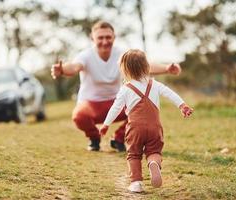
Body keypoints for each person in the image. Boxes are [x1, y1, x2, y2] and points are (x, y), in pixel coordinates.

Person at [51, 21, 182, 152]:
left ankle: (119, 138)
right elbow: (74, 67)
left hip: (116, 102)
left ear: (114, 37)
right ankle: (94, 138)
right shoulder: (85, 55)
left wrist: (166, 68)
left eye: (108, 37)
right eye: (100, 38)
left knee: (142, 109)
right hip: (90, 104)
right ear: (92, 38)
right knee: (79, 116)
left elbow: (143, 66)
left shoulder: (121, 54)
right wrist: (62, 70)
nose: (104, 41)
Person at [99, 49, 193, 193]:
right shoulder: (154, 84)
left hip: (135, 129)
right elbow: (170, 94)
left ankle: (136, 183)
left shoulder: (126, 88)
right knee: (154, 151)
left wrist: (106, 124)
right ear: (146, 67)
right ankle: (153, 163)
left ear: (125, 70)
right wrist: (182, 105)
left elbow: (115, 108)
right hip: (155, 127)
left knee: (134, 154)